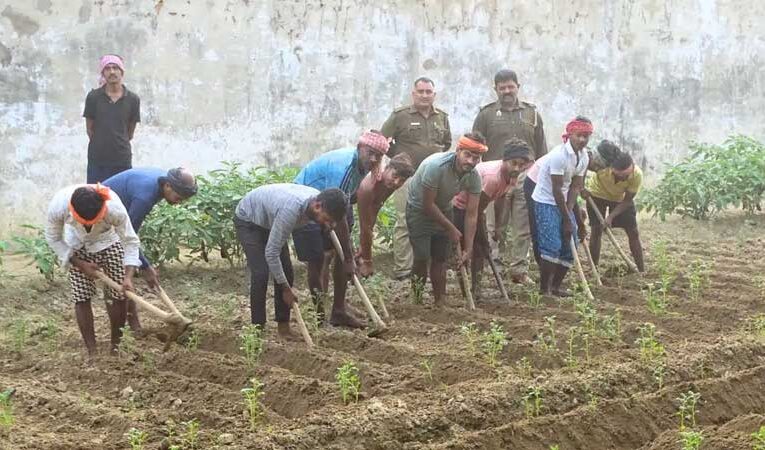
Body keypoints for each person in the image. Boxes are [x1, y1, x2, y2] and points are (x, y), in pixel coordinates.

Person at [293, 130, 389, 328]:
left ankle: (338, 311)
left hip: (332, 203)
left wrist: (348, 254)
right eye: (369, 153)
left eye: (378, 156)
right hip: (306, 205)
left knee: (342, 255)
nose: (373, 159)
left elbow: (347, 204)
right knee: (318, 260)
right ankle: (321, 318)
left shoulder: (362, 167)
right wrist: (347, 256)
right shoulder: (344, 167)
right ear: (360, 148)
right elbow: (339, 213)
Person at [234, 185, 348, 339]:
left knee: (286, 271)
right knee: (261, 273)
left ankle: (284, 328)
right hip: (249, 221)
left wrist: (327, 226)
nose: (329, 224)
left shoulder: (317, 201)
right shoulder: (291, 211)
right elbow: (271, 253)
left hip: (271, 218)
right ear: (317, 206)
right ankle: (257, 330)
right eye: (327, 219)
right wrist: (286, 289)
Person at [44, 184, 141, 358]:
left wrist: (128, 277)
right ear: (73, 212)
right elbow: (53, 238)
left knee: (118, 296)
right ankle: (92, 352)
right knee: (81, 297)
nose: (89, 226)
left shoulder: (115, 209)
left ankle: (115, 348)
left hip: (109, 242)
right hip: (76, 246)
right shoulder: (59, 206)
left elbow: (130, 241)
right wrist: (79, 263)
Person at [472, 69, 548, 285]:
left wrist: (542, 177)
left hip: (527, 177)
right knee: (493, 224)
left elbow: (541, 149)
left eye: (510, 86)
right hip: (496, 175)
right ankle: (491, 265)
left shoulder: (532, 114)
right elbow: (477, 145)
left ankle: (518, 270)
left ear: (518, 87)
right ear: (495, 89)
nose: (506, 91)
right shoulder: (485, 115)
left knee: (522, 225)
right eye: (502, 87)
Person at [103, 167, 198, 331]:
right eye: (178, 197)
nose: (178, 202)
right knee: (123, 274)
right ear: (168, 186)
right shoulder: (144, 197)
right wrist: (146, 266)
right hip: (100, 218)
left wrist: (144, 265)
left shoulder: (161, 181)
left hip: (116, 216)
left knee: (127, 272)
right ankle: (133, 327)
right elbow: (128, 237)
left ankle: (135, 326)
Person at [381, 77, 452, 279]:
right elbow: (383, 141)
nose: (424, 95)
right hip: (406, 178)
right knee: (405, 221)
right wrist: (399, 160)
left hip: (434, 178)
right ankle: (403, 270)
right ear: (413, 94)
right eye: (420, 91)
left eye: (428, 92)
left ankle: (427, 268)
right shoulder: (400, 116)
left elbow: (445, 144)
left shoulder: (442, 118)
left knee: (433, 220)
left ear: (434, 95)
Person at [406, 133, 485, 307]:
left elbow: (472, 213)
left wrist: (468, 248)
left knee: (440, 256)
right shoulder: (436, 167)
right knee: (421, 256)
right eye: (467, 155)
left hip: (443, 208)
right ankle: (417, 298)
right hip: (419, 209)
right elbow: (427, 205)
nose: (471, 161)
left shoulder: (473, 176)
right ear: (458, 151)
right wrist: (451, 228)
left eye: (476, 158)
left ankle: (440, 299)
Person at [452, 138, 533, 300]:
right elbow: (475, 211)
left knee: (481, 250)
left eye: (521, 165)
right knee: (467, 249)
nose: (517, 168)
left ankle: (476, 289)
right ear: (505, 160)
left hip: (473, 209)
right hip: (458, 208)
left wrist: (497, 228)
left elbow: (501, 198)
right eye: (514, 163)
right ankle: (467, 291)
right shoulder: (492, 177)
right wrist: (481, 234)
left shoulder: (513, 175)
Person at [524, 140, 620, 267]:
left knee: (563, 227)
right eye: (597, 166)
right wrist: (578, 223)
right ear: (595, 157)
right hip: (537, 183)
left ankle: (554, 266)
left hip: (557, 189)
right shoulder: (573, 158)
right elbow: (568, 195)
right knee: (541, 227)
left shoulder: (584, 160)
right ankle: (544, 268)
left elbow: (572, 195)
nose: (596, 170)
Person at [531, 116, 593, 296]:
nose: (582, 140)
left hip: (564, 201)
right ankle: (544, 290)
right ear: (570, 134)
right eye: (578, 135)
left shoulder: (584, 157)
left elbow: (575, 186)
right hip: (546, 200)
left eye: (586, 136)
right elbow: (556, 189)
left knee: (570, 243)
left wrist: (572, 217)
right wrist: (567, 218)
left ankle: (556, 287)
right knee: (552, 244)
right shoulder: (558, 155)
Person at [584, 145, 645, 272]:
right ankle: (593, 269)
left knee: (633, 231)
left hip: (620, 199)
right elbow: (581, 166)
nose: (621, 179)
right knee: (596, 230)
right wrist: (581, 187)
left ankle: (641, 269)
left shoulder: (637, 175)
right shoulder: (602, 167)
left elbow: (627, 200)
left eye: (624, 177)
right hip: (597, 194)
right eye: (618, 176)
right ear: (612, 169)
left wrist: (610, 217)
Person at [355, 154, 415, 277]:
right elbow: (365, 226)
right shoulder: (369, 186)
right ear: (387, 168)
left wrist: (363, 246)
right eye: (395, 176)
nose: (397, 182)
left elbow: (374, 209)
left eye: (402, 180)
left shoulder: (389, 184)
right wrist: (367, 260)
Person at [83, 54, 141, 183]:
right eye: (107, 68)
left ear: (122, 72)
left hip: (122, 159)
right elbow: (90, 130)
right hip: (97, 160)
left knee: (121, 196)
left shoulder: (133, 99)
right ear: (103, 72)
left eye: (115, 68)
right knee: (95, 197)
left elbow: (130, 133)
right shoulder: (93, 97)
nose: (112, 72)